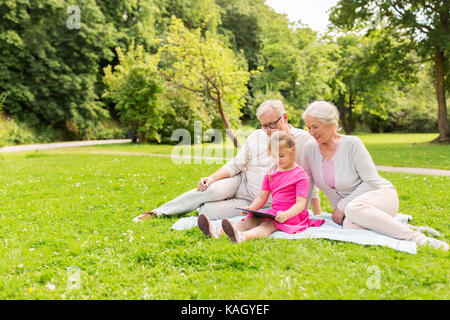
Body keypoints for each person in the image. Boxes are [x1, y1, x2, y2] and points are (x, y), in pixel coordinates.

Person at [133, 100, 321, 222]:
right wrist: (212, 177)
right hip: (242, 183)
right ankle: (158, 212)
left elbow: (312, 180)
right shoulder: (256, 136)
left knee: (208, 212)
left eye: (273, 123)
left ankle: (201, 208)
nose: (270, 129)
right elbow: (236, 165)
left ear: (285, 117)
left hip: (264, 201)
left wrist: (316, 213)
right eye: (265, 126)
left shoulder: (304, 140)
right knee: (210, 189)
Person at [301, 100, 448, 251]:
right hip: (352, 213)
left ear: (331, 124)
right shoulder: (309, 149)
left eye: (315, 127)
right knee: (349, 226)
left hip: (380, 195)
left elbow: (372, 182)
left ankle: (418, 238)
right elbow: (306, 185)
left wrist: (341, 206)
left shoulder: (352, 144)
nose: (311, 132)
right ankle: (398, 227)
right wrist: (298, 214)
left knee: (352, 209)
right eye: (308, 127)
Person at [197, 131, 325, 242]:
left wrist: (286, 215)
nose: (277, 160)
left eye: (281, 156)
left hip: (293, 216)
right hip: (275, 212)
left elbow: (300, 204)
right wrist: (250, 208)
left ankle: (242, 237)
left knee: (268, 225)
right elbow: (262, 197)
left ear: (293, 150)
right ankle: (217, 231)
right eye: (274, 156)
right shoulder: (271, 173)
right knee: (251, 220)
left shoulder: (301, 175)